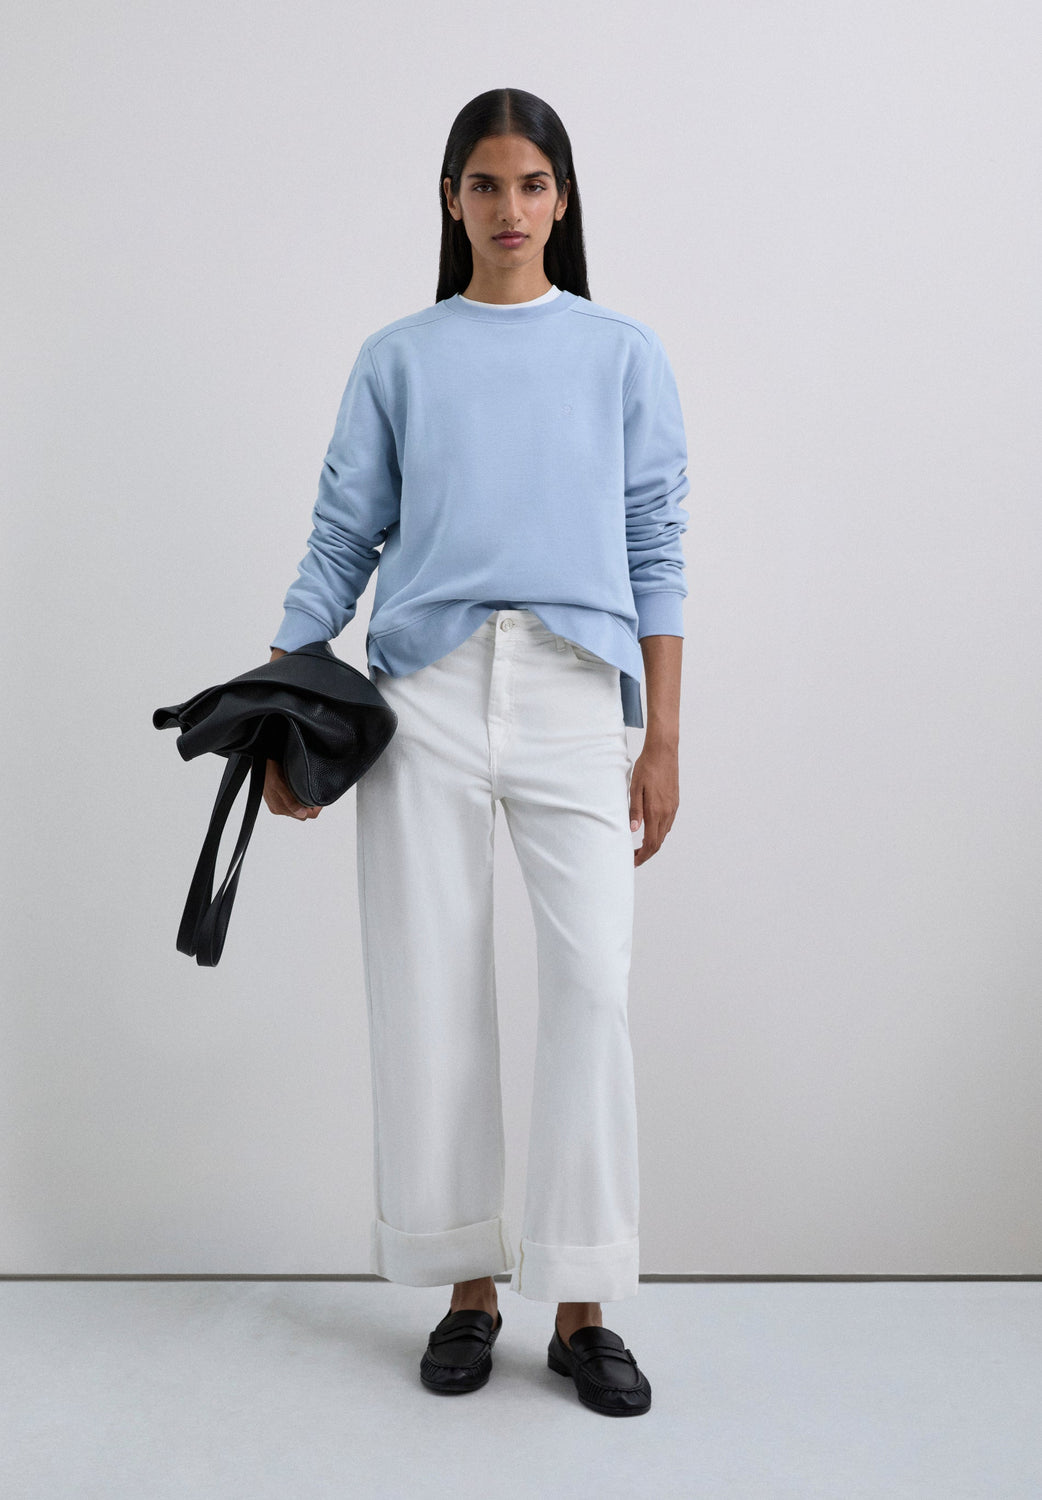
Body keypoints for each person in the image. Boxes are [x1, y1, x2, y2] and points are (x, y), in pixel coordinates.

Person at [263, 88, 688, 1418]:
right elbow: (343, 534)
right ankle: (467, 1290)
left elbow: (657, 542)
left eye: (532, 183)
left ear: (563, 199)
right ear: (449, 199)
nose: (509, 208)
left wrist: (662, 734)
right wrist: (281, 697)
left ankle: (582, 1305)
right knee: (431, 984)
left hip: (575, 689)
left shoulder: (620, 354)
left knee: (592, 985)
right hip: (426, 694)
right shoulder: (399, 357)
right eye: (485, 184)